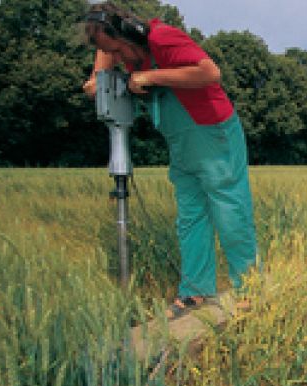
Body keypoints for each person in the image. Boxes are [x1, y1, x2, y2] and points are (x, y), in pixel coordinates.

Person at [82, 3, 257, 317]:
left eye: (118, 51)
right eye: (111, 53)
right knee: (190, 215)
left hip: (212, 132)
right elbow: (105, 54)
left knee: (229, 209)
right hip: (180, 139)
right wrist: (97, 78)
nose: (117, 59)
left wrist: (151, 76)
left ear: (129, 34)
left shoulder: (162, 38)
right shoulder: (123, 46)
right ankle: (195, 291)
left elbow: (210, 72)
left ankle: (250, 290)